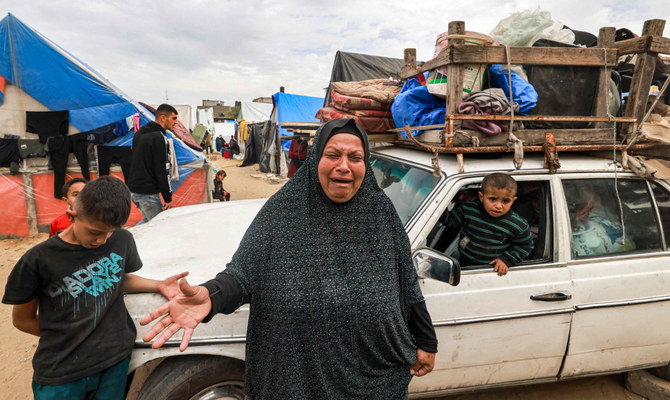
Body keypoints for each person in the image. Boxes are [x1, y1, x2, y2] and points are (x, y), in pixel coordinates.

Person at [141, 118, 437, 399]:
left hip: (372, 379)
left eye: (355, 158)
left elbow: (406, 282)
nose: (344, 166)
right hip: (298, 379)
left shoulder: (381, 213)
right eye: (333, 155)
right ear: (315, 158)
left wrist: (426, 340)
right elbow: (243, 274)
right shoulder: (284, 211)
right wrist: (211, 295)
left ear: (365, 163)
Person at [2, 176, 187, 399]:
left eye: (110, 232)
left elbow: (119, 277)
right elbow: (22, 319)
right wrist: (64, 335)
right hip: (62, 373)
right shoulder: (38, 260)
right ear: (72, 215)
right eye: (95, 232)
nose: (102, 240)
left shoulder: (122, 240)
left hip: (114, 362)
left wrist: (158, 284)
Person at [444, 173, 533, 276]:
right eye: (492, 199)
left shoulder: (517, 224)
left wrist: (506, 260)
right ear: (481, 197)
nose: (498, 206)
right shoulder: (469, 209)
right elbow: (451, 221)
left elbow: (526, 245)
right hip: (463, 261)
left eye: (505, 201)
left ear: (513, 201)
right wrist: (438, 206)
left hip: (492, 269)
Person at [127, 103, 177, 224]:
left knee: (148, 222)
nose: (176, 122)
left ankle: (130, 240)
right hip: (147, 192)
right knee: (158, 225)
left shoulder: (139, 133)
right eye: (173, 118)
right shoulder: (159, 138)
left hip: (134, 189)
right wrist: (168, 198)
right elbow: (162, 170)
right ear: (163, 118)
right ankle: (128, 241)